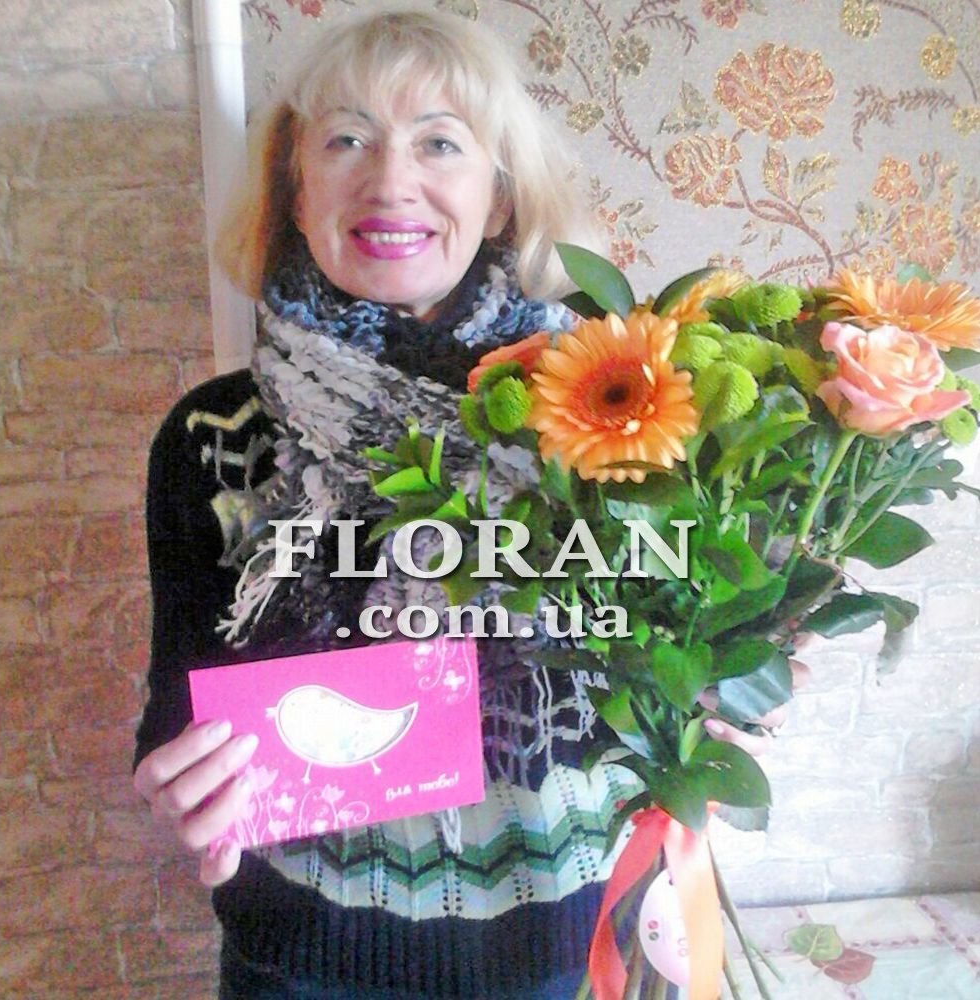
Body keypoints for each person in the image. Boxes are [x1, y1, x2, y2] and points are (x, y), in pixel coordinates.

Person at [132, 9, 795, 998]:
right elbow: (178, 698)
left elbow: (698, 650)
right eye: (345, 139)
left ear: (498, 199)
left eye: (439, 142)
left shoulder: (618, 417)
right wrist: (182, 783)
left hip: (566, 947)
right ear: (297, 194)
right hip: (304, 961)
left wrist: (730, 686)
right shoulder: (213, 437)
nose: (389, 179)